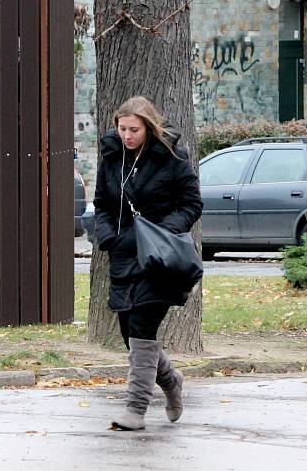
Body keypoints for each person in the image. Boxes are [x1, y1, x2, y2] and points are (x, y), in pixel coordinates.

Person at [93, 96, 203, 430]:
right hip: (123, 255)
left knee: (142, 328)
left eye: (134, 130)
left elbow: (191, 204)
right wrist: (108, 236)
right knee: (130, 334)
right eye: (122, 128)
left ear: (148, 128)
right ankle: (171, 381)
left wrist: (162, 230)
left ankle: (136, 410)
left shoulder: (169, 156)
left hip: (158, 258)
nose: (127, 135)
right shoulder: (112, 156)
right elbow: (101, 204)